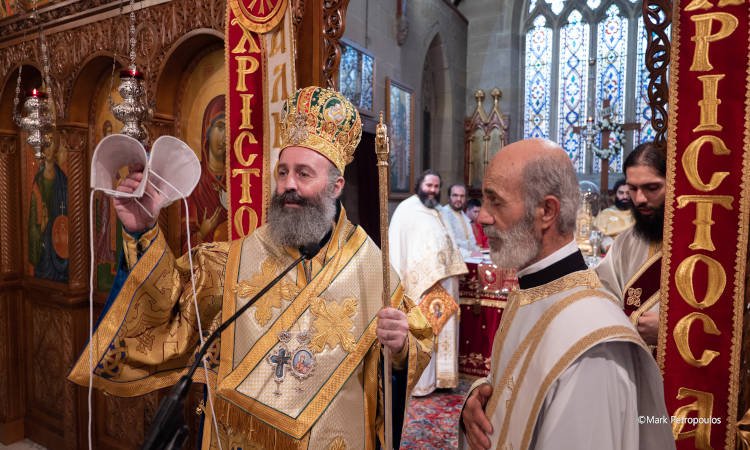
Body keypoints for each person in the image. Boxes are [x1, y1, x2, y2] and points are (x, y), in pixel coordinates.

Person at [68, 86, 433, 449]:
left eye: (304, 174)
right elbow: (171, 309)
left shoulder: (372, 270)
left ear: (336, 186)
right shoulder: (233, 261)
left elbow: (408, 353)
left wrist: (402, 348)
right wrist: (143, 231)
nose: (288, 185)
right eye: (283, 171)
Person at [460, 138, 673, 450]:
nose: (482, 217)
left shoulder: (593, 349)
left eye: (496, 201)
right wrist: (479, 401)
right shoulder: (531, 295)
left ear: (547, 211)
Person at [389, 170, 467, 396]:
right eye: (428, 185)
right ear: (419, 185)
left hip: (446, 286)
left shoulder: (439, 211)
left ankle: (443, 380)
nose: (432, 190)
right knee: (425, 331)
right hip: (423, 287)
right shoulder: (407, 210)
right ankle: (423, 383)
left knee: (444, 332)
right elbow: (398, 246)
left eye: (436, 186)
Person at [596, 142, 666, 347]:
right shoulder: (625, 242)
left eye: (652, 188)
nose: (639, 199)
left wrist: (670, 332)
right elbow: (602, 298)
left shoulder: (702, 244)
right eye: (633, 189)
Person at [185, 95, 229, 251]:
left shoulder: (237, 178)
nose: (225, 137)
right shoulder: (193, 178)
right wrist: (203, 232)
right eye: (220, 127)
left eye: (229, 129)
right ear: (207, 130)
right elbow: (183, 244)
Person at [28, 133, 68, 282]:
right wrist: (41, 226)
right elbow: (32, 219)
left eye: (52, 145)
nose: (49, 149)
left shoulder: (63, 179)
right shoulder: (38, 180)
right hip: (44, 237)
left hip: (58, 235)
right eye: (46, 146)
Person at [594, 178, 634, 252]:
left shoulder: (639, 215)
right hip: (610, 249)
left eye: (628, 193)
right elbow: (597, 234)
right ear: (615, 194)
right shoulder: (606, 213)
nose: (625, 197)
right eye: (621, 193)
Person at [441, 183, 481, 257]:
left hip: (470, 259)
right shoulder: (443, 214)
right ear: (449, 198)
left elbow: (471, 242)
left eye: (462, 196)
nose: (459, 199)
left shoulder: (464, 216)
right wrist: (470, 254)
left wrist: (479, 252)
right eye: (455, 195)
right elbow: (447, 245)